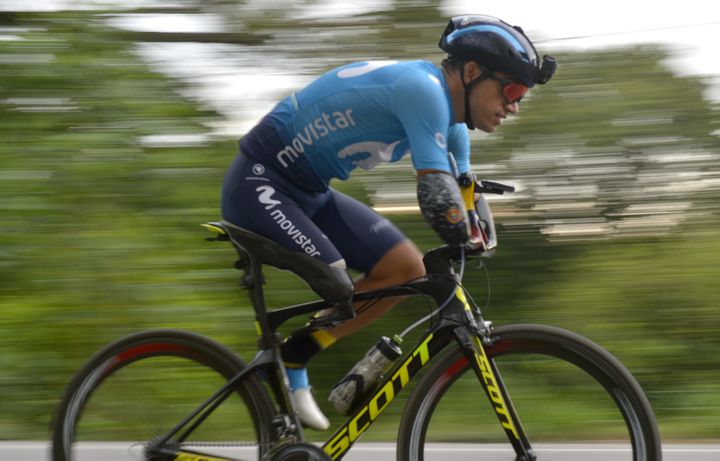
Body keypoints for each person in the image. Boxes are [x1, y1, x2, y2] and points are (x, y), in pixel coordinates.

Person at [221, 14, 556, 430]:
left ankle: (294, 356)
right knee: (335, 280)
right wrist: (461, 230)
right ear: (471, 72)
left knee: (406, 270)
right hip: (259, 182)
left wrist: (477, 230)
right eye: (512, 88)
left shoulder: (453, 127)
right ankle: (272, 376)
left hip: (310, 192)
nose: (515, 105)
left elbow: (464, 195)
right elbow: (437, 197)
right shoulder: (423, 91)